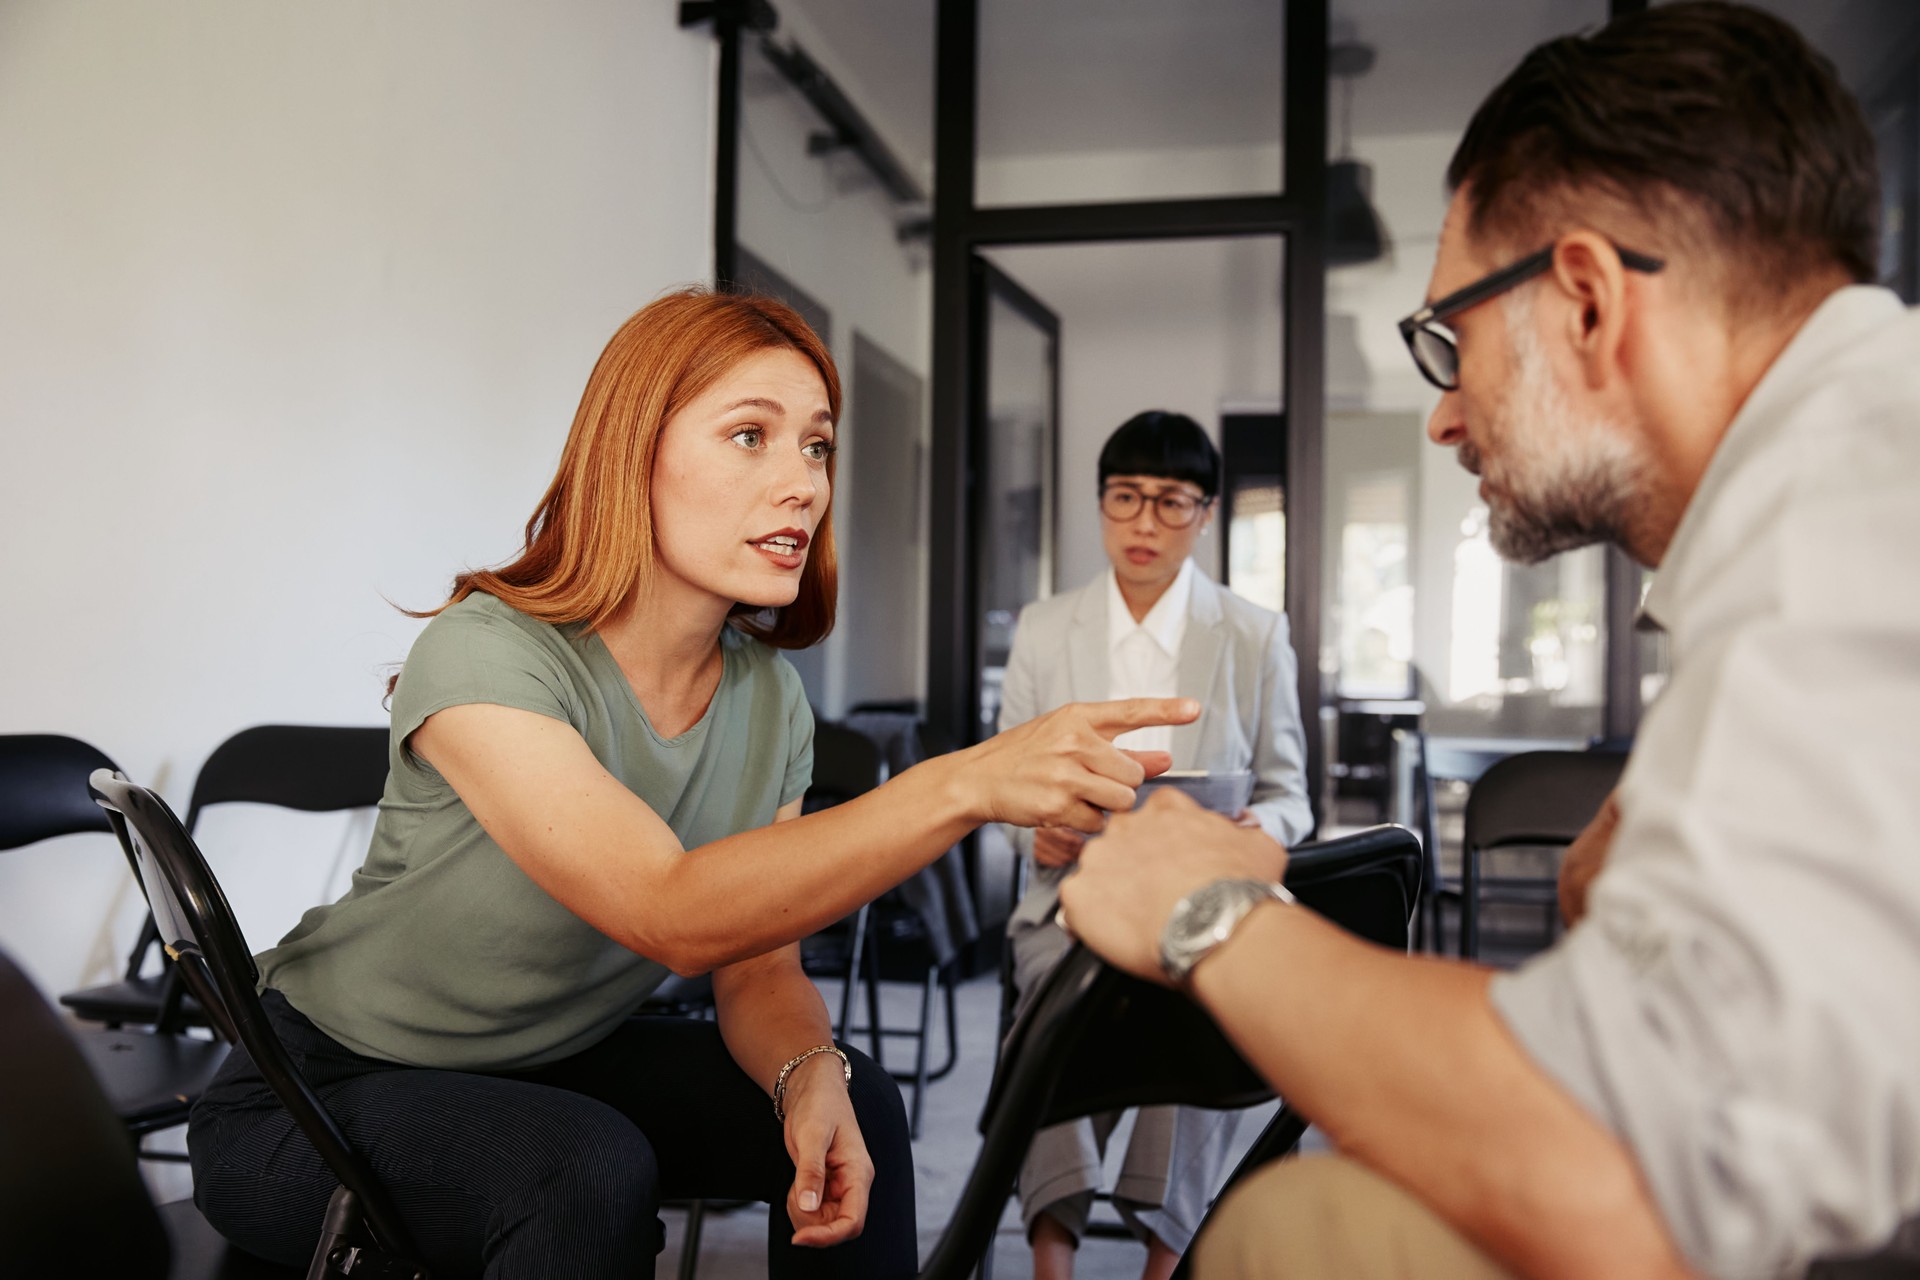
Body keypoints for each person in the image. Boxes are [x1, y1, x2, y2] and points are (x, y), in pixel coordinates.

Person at [1058, 4, 1920, 1278]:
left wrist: (1210, 910)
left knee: (1291, 1231)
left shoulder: (1840, 540)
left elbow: (1611, 1169)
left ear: (1583, 298)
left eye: (1450, 343)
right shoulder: (1837, 487)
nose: (1444, 416)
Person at [186, 288, 1197, 1280]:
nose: (802, 481)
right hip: (314, 1088)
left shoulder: (770, 703)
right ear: (634, 455)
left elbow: (757, 971)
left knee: (860, 1102)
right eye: (750, 434)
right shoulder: (488, 653)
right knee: (580, 1164)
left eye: (816, 444)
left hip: (554, 1059)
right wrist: (964, 783)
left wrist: (809, 1076)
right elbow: (668, 909)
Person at [999, 410, 1314, 1280]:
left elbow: (1293, 795)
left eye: (1172, 503)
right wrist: (1037, 824)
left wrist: (1264, 828)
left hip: (1199, 894)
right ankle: (1052, 1254)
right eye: (1126, 498)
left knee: (1208, 975)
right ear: (1100, 504)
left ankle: (1165, 1255)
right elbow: (1002, 791)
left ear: (1207, 514)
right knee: (1065, 984)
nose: (1144, 523)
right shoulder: (1042, 627)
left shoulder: (1253, 634)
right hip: (1069, 896)